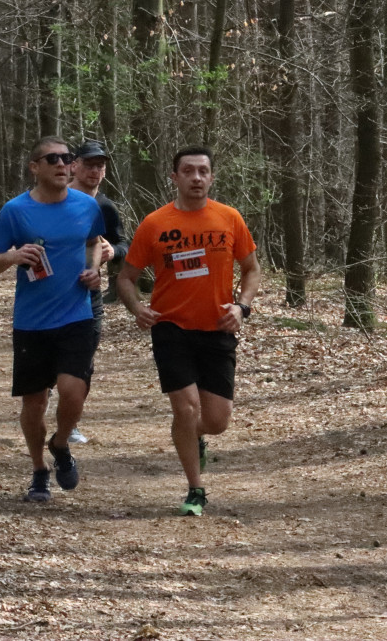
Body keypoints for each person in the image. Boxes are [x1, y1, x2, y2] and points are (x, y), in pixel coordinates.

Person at [117, 146, 261, 516]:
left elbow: (251, 269)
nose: (196, 178)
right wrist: (138, 308)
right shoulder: (155, 224)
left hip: (217, 328)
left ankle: (194, 437)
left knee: (215, 421)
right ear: (175, 178)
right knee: (185, 408)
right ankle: (195, 489)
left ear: (211, 178)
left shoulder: (229, 219)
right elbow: (126, 277)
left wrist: (241, 307)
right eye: (188, 171)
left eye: (203, 171)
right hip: (171, 328)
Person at [0, 136, 105, 502]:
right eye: (52, 158)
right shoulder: (15, 211)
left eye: (67, 158)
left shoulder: (86, 205)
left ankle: (61, 443)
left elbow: (94, 241)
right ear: (34, 167)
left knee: (73, 390)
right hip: (32, 321)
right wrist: (13, 256)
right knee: (34, 402)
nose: (62, 164)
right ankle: (39, 470)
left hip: (76, 314)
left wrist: (94, 270)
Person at [65, 139, 130, 445]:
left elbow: (123, 244)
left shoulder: (105, 207)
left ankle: (71, 421)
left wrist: (112, 251)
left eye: (100, 166)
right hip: (53, 292)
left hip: (89, 295)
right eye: (89, 164)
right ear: (73, 165)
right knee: (53, 362)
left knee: (84, 362)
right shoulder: (55, 199)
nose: (94, 171)